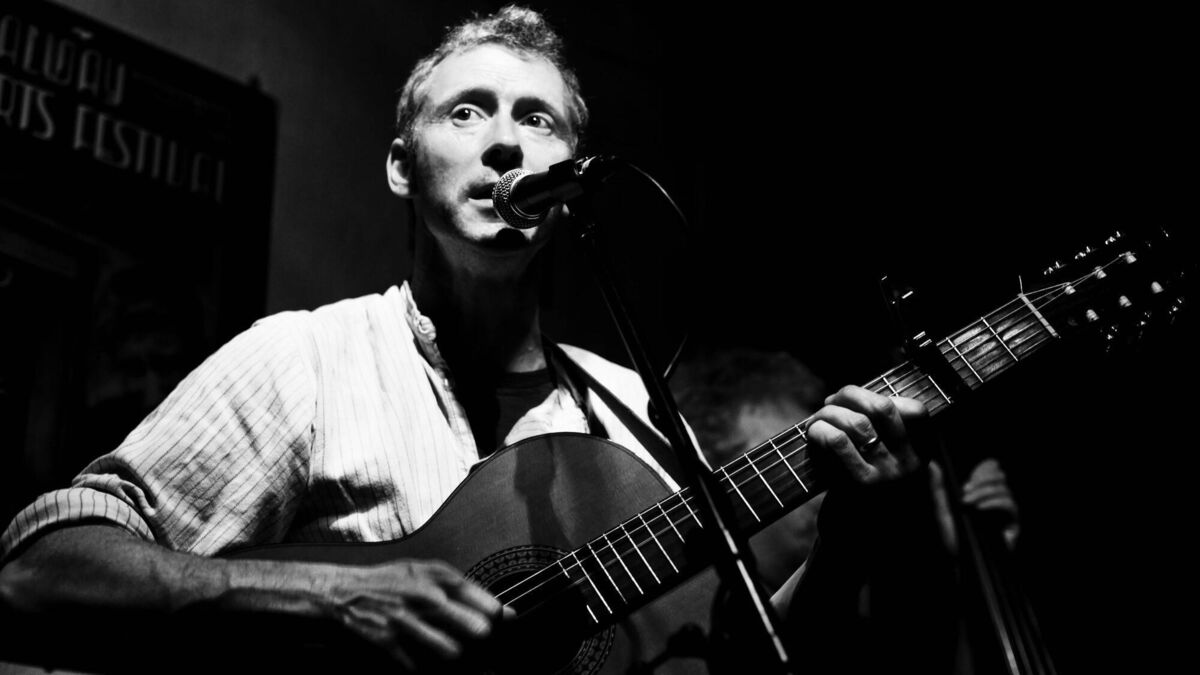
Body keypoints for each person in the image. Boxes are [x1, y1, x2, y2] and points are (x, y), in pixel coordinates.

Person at [0, 6, 932, 673]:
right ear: (403, 168)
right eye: (467, 111)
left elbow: (732, 654)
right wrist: (329, 595)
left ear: (571, 178)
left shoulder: (635, 410)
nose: (506, 144)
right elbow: (38, 573)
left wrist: (849, 535)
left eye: (537, 119)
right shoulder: (304, 362)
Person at [671, 347, 1021, 673]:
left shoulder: (867, 609)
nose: (830, 484)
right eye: (795, 469)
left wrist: (960, 569)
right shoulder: (691, 634)